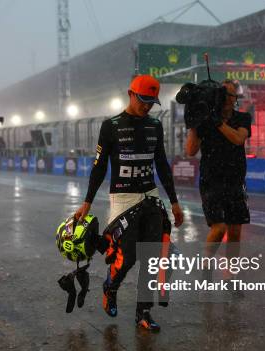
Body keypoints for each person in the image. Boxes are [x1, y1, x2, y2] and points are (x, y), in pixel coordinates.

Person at [75, 74, 184, 332]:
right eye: (143, 100)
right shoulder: (110, 126)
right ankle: (110, 286)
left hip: (150, 195)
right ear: (130, 94)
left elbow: (162, 165)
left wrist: (175, 202)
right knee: (127, 257)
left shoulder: (155, 126)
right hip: (123, 199)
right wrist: (87, 203)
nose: (147, 106)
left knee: (152, 257)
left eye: (151, 102)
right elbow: (99, 167)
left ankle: (143, 313)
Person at [185, 79, 252, 245]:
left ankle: (233, 270)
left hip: (235, 181)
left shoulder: (242, 118)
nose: (227, 98)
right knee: (219, 228)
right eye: (222, 94)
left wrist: (217, 122)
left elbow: (238, 139)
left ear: (236, 98)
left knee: (235, 233)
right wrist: (194, 122)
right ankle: (206, 269)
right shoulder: (206, 121)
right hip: (211, 181)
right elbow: (190, 151)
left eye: (230, 95)